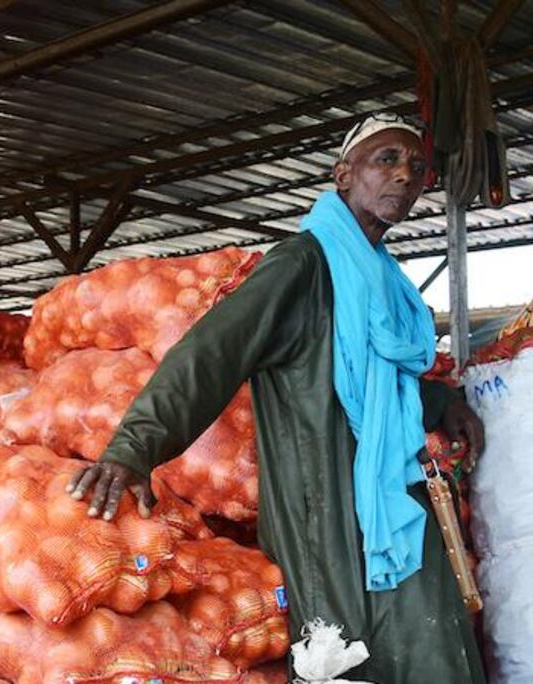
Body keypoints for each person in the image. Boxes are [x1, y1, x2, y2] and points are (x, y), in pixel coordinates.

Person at [69, 113, 487, 683]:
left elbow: (380, 378)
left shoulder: (382, 278)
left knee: (435, 653)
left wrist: (440, 403)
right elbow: (212, 353)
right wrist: (134, 447)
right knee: (348, 662)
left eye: (415, 167)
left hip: (391, 497)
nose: (404, 177)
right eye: (385, 159)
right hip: (325, 511)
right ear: (343, 175)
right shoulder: (301, 266)